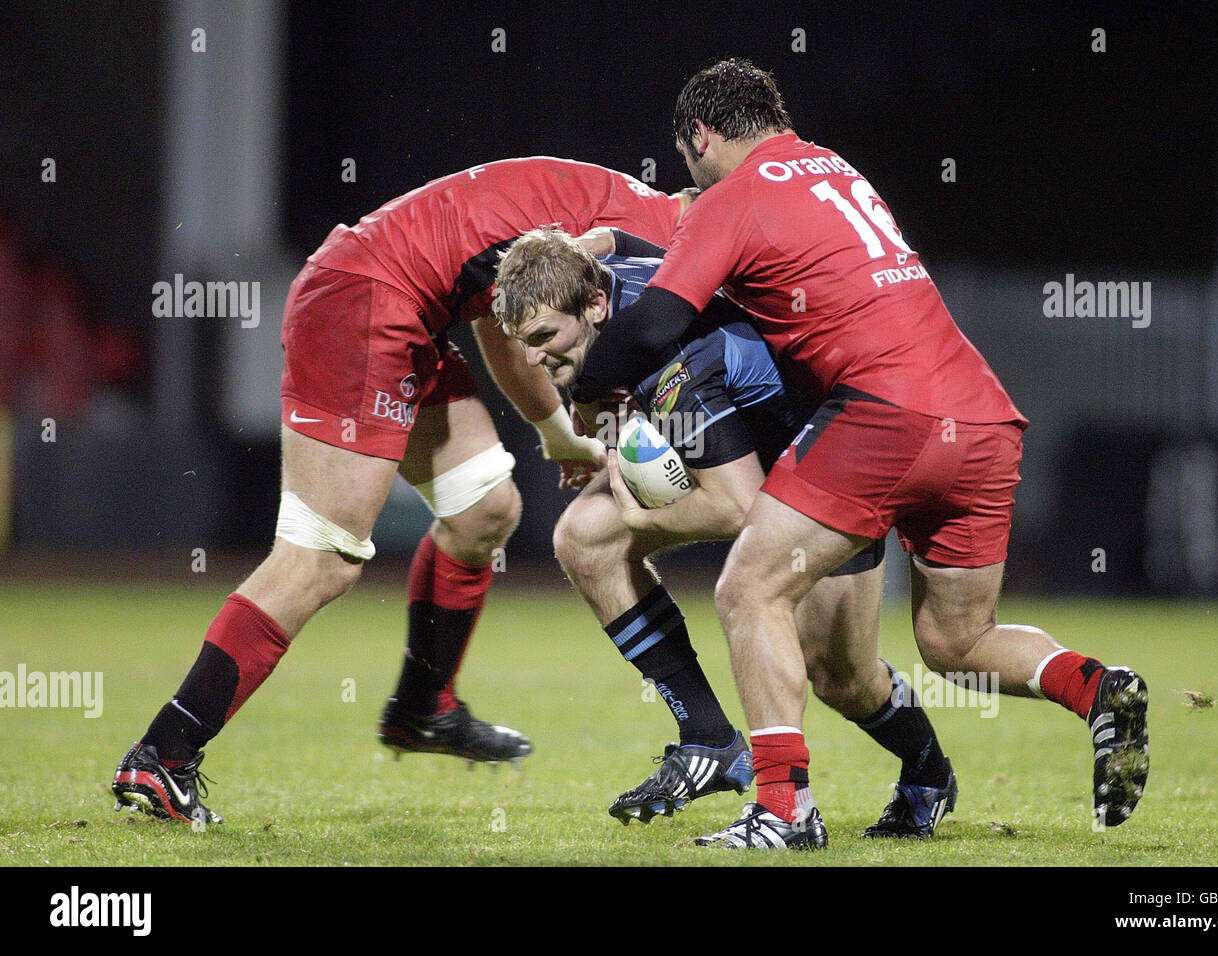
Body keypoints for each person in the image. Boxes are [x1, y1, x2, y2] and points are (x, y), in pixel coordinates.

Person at [570, 60, 1150, 849]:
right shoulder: (836, 169)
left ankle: (782, 809)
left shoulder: (729, 197)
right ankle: (1097, 689)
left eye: (685, 157)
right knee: (957, 643)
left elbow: (652, 323)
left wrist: (583, 400)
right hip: (980, 420)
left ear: (699, 135)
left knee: (747, 588)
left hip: (884, 418)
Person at [111, 158, 695, 825]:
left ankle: (424, 707)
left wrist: (558, 433)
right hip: (368, 300)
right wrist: (573, 431)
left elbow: (503, 321)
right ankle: (164, 752)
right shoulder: (648, 247)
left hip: (397, 302)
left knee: (484, 511)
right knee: (319, 556)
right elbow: (529, 337)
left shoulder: (629, 208)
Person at [493, 227, 957, 839]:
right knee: (583, 537)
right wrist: (612, 445)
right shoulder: (606, 294)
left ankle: (927, 774)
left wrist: (639, 514)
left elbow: (737, 511)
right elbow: (623, 238)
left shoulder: (672, 360)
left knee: (841, 676)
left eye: (544, 337)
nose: (530, 359)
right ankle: (709, 738)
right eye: (520, 343)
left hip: (823, 462)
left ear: (598, 306)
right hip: (742, 453)